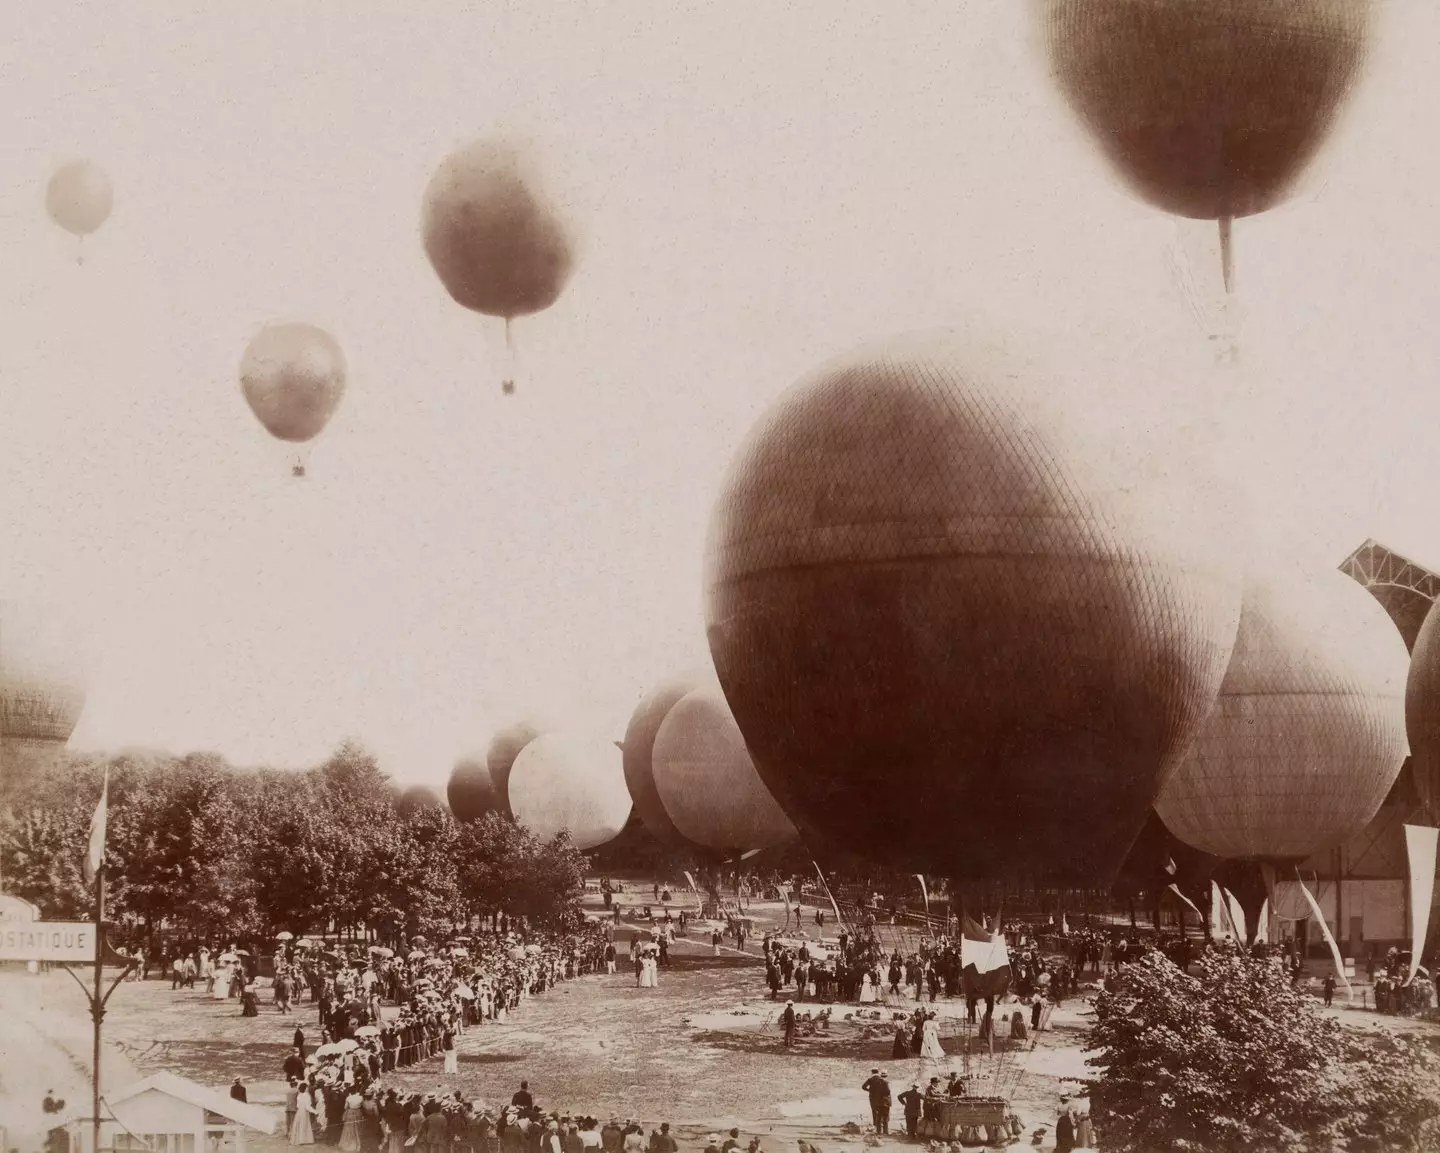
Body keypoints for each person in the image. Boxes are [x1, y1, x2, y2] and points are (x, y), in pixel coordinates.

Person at [861, 1069, 891, 1135]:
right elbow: (887, 1091)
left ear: (872, 1072)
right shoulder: (882, 1080)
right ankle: (885, 1129)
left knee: (875, 1112)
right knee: (885, 1114)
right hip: (883, 1099)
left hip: (873, 1098)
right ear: (878, 1072)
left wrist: (869, 1090)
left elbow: (863, 1087)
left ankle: (876, 1127)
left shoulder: (870, 1079)